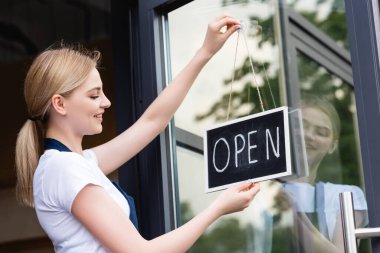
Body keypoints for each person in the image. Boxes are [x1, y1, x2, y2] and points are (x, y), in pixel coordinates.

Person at [15, 15, 260, 253]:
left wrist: (205, 51)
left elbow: (152, 123)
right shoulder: (64, 169)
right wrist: (218, 208)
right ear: (59, 104)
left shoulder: (77, 164)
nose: (106, 102)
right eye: (94, 95)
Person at [280, 95, 368, 253]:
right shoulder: (263, 188)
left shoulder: (346, 195)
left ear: (333, 146)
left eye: (321, 132)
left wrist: (290, 214)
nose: (308, 135)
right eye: (299, 124)